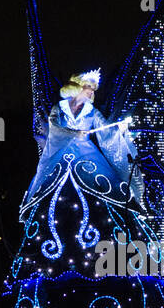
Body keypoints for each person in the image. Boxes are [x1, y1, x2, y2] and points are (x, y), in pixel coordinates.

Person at [22, 70, 141, 208]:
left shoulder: (92, 111)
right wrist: (74, 133)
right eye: (89, 87)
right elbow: (54, 128)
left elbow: (106, 130)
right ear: (79, 87)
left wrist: (119, 129)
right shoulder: (59, 108)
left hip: (87, 154)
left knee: (99, 186)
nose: (91, 92)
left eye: (93, 89)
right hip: (62, 153)